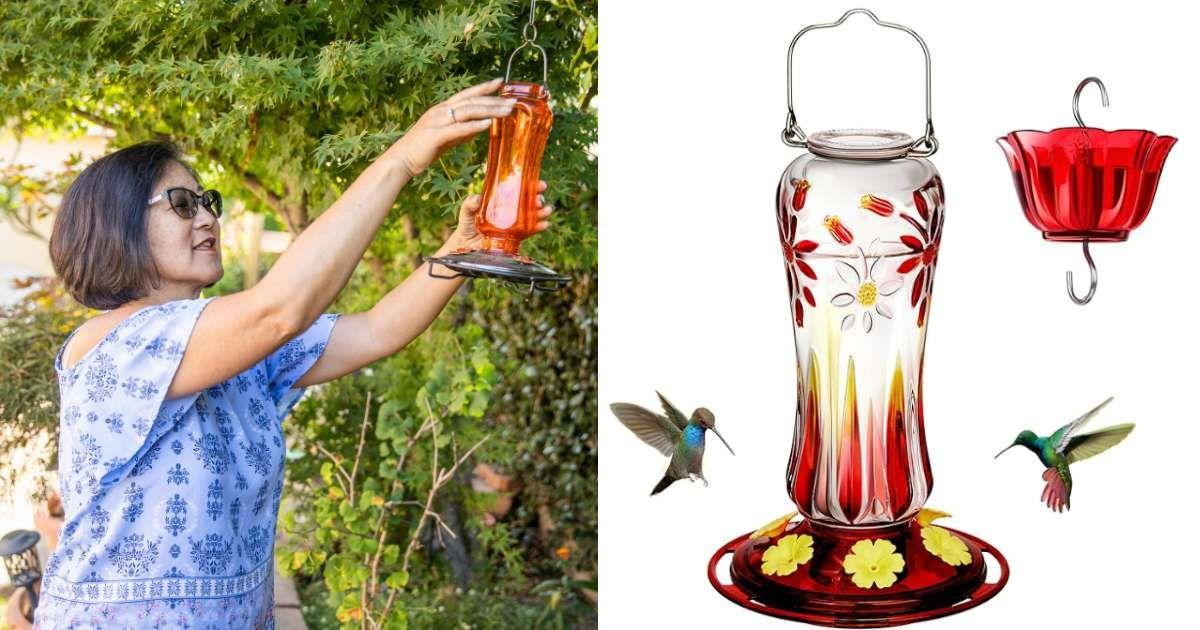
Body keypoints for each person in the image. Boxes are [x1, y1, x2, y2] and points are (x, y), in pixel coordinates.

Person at [33, 78, 552, 628]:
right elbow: (280, 308)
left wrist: (459, 252)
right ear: (117, 223)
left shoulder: (232, 346)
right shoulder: (114, 345)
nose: (209, 217)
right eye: (183, 204)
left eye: (208, 202)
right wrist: (403, 156)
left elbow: (376, 331)